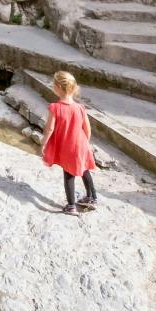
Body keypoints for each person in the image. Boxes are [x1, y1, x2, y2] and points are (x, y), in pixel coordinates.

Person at [42, 71, 98, 213]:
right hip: (81, 144)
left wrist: (43, 144)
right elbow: (87, 129)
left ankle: (71, 206)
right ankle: (92, 198)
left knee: (69, 175)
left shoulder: (55, 107)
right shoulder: (80, 107)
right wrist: (84, 143)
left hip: (68, 147)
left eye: (53, 83)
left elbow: (49, 129)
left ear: (58, 87)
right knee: (85, 170)